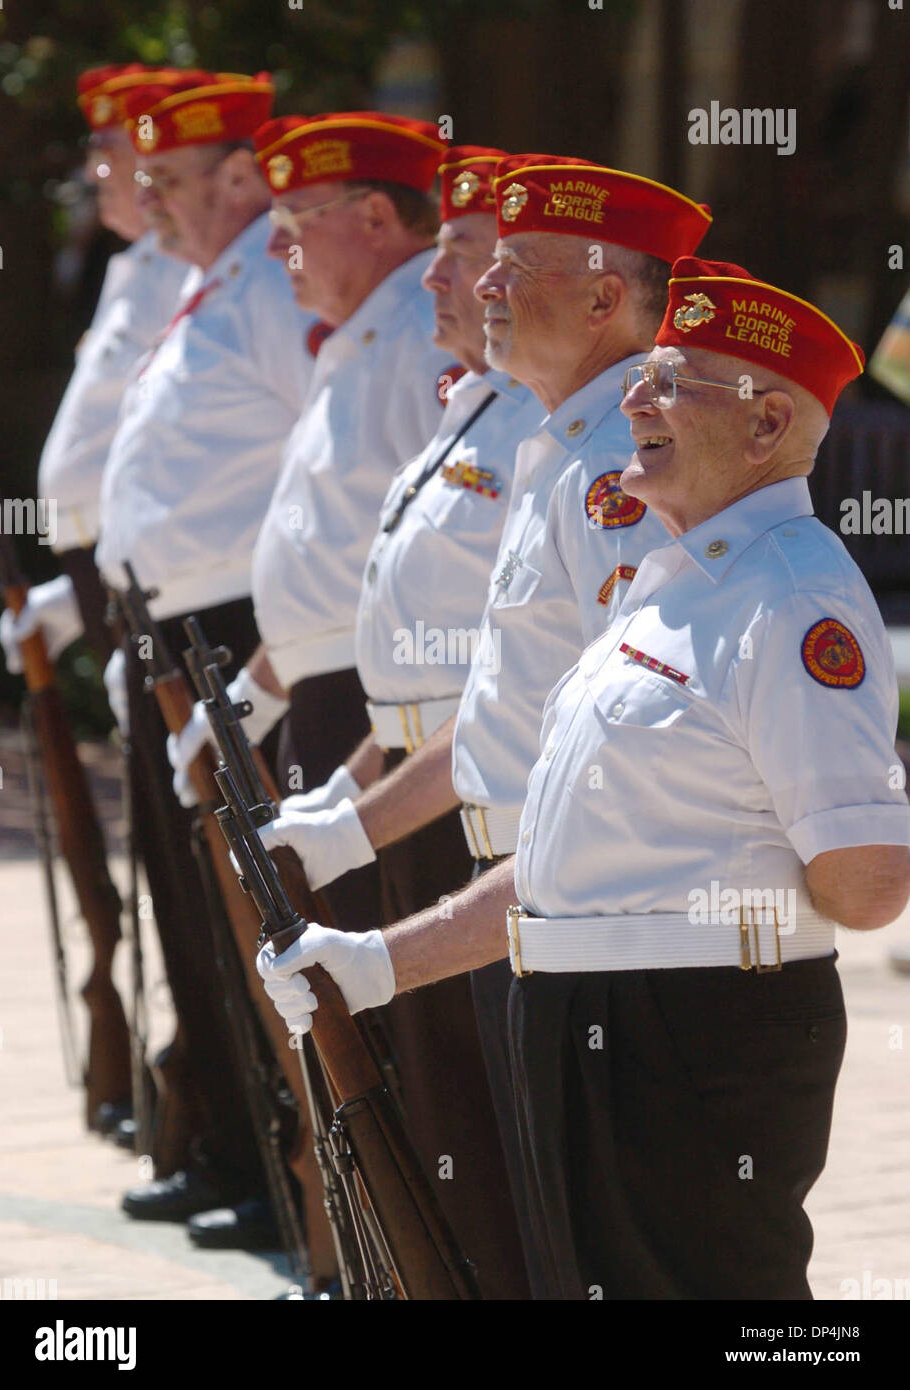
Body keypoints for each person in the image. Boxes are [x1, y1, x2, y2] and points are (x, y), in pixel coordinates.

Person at [258, 258, 910, 1299]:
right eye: (645, 375)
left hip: (692, 1033)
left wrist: (704, 924)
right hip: (594, 1020)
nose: (638, 402)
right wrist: (378, 960)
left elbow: (867, 881)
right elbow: (563, 861)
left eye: (676, 382)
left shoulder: (790, 599)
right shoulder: (669, 590)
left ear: (763, 426)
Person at [252, 155, 711, 1288]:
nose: (480, 284)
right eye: (485, 257)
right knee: (541, 1237)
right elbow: (506, 712)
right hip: (520, 891)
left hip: (592, 922)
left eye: (515, 264)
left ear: (605, 299)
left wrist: (385, 948)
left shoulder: (618, 469)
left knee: (605, 1254)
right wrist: (349, 825)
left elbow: (608, 762)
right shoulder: (561, 447)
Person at [94, 70, 319, 1244]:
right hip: (170, 632)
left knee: (243, 911)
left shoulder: (270, 291)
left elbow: (313, 473)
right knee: (189, 912)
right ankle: (229, 1145)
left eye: (171, 180)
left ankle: (286, 1169)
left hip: (235, 633)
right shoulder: (205, 285)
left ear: (241, 176)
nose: (151, 201)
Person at [167, 111, 461, 943]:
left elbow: (442, 568)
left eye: (294, 225)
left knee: (394, 1002)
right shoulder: (363, 339)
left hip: (378, 708)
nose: (271, 247)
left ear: (373, 219)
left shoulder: (420, 344)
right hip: (331, 698)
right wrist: (257, 688)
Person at [0, 65, 187, 716]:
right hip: (106, 566)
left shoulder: (184, 272)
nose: (94, 174)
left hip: (147, 567)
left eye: (107, 153)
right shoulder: (134, 266)